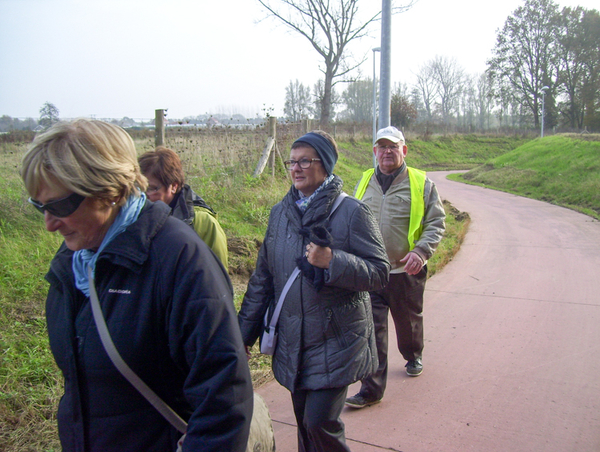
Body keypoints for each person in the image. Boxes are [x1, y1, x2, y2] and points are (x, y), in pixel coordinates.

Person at [21, 118, 253, 451]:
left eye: (59, 206)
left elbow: (224, 398)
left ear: (109, 191)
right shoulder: (72, 264)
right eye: (39, 206)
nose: (49, 224)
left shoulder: (178, 259)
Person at [238, 130, 390, 452]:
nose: (296, 168)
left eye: (305, 160)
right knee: (305, 425)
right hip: (293, 342)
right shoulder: (280, 215)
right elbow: (262, 280)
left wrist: (333, 261)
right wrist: (242, 336)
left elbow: (379, 272)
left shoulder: (352, 213)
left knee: (320, 424)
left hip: (338, 341)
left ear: (326, 165)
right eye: (292, 162)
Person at [345, 126, 446, 409]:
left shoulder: (421, 182)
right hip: (372, 272)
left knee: (407, 321)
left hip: (406, 271)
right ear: (375, 151)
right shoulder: (364, 180)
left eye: (393, 146)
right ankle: (371, 390)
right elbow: (354, 218)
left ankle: (413, 354)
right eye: (382, 147)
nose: (387, 152)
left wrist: (422, 251)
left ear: (404, 150)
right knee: (373, 329)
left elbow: (436, 222)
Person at [138, 146, 228, 268]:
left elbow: (217, 276)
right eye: (139, 188)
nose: (144, 196)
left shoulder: (203, 222)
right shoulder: (131, 216)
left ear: (173, 186)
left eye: (152, 188)